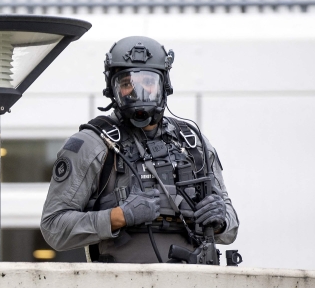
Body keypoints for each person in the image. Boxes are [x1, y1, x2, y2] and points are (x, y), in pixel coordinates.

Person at [40, 36, 239, 264]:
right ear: (112, 90)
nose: (138, 92)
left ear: (164, 86)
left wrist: (221, 218)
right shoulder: (91, 145)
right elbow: (53, 227)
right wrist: (118, 217)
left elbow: (231, 227)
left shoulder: (193, 143)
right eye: (127, 84)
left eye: (148, 82)